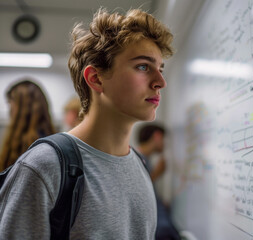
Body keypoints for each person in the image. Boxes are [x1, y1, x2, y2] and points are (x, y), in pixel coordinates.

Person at [0, 7, 173, 239]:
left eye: (160, 69)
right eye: (143, 66)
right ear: (96, 78)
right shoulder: (44, 167)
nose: (160, 81)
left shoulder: (139, 165)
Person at [137, 124, 181, 240]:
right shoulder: (137, 159)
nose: (165, 144)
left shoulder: (144, 159)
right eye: (164, 139)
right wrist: (157, 173)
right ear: (157, 136)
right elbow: (137, 191)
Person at [0, 80, 56, 171]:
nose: (9, 110)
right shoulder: (50, 140)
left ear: (20, 107)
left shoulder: (28, 146)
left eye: (10, 103)